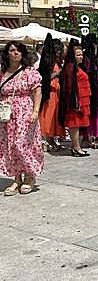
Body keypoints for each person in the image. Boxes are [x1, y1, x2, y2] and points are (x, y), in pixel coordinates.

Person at [0, 41, 43, 195]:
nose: (16, 53)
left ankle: (30, 176)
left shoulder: (29, 71)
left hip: (25, 111)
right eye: (12, 50)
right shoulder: (3, 72)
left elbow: (38, 91)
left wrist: (35, 111)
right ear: (7, 54)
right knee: (10, 146)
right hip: (7, 114)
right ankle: (17, 178)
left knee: (22, 144)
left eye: (18, 50)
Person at [59, 40, 91, 157]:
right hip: (76, 100)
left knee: (78, 123)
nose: (81, 56)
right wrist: (74, 101)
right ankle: (76, 147)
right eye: (78, 54)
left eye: (81, 54)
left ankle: (75, 146)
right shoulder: (70, 67)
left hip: (82, 98)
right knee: (74, 123)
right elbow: (69, 86)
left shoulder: (76, 66)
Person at [38, 34, 66, 151]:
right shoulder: (47, 62)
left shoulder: (56, 62)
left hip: (56, 93)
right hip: (49, 93)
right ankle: (46, 140)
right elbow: (44, 77)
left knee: (54, 117)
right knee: (48, 117)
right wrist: (59, 72)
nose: (59, 52)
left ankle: (52, 139)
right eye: (58, 50)